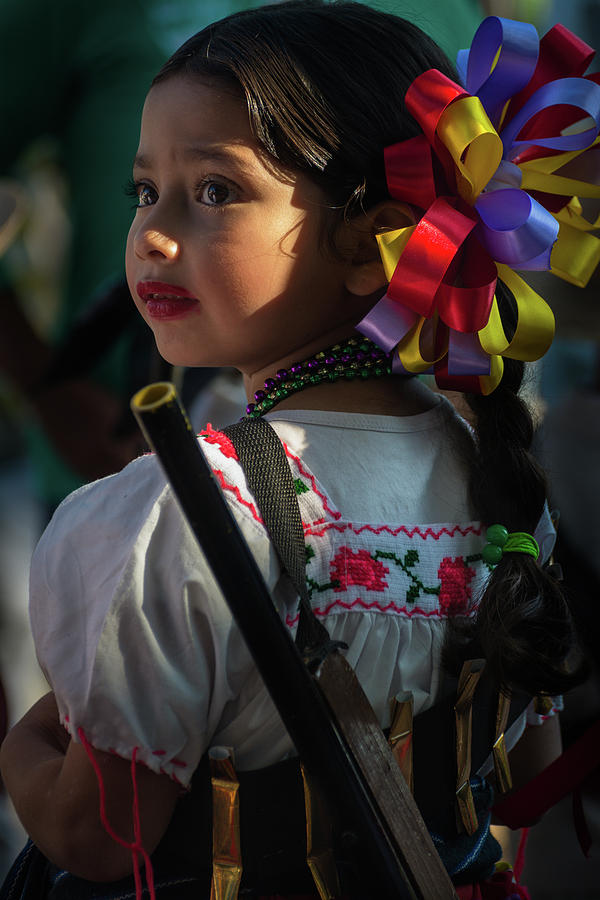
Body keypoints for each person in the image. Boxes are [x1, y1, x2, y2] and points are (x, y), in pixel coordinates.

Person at [0, 1, 596, 897]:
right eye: (144, 190)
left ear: (369, 241)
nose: (153, 233)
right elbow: (521, 782)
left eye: (213, 191)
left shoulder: (179, 518)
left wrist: (24, 754)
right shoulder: (502, 486)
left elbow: (105, 839)